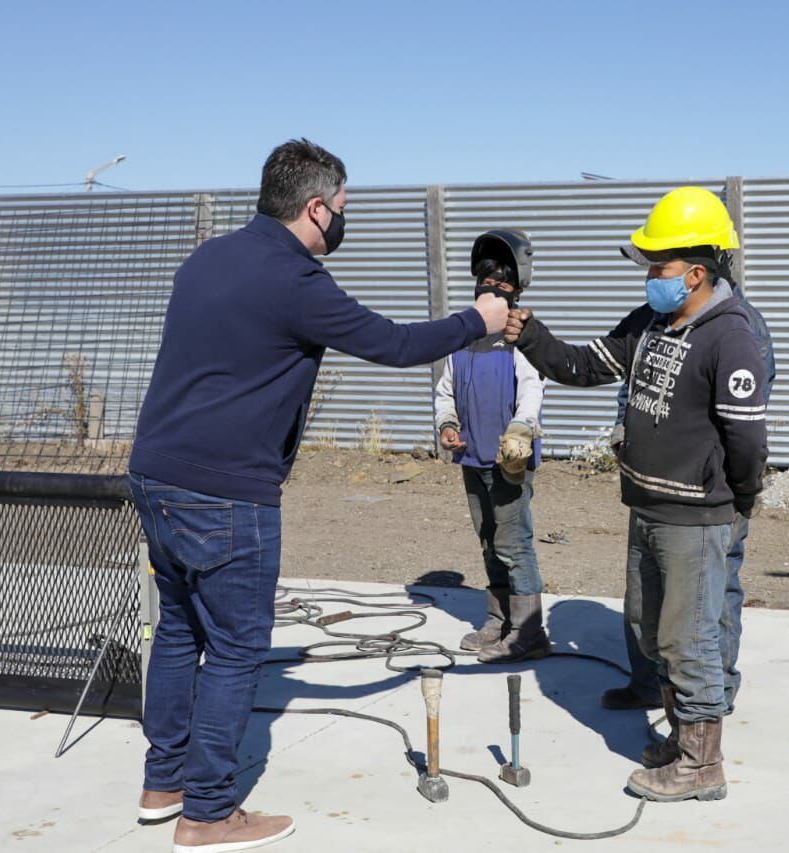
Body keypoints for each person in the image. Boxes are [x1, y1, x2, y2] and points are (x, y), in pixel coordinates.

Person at [127, 138, 509, 852]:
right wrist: (477, 321)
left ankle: (163, 784)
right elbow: (394, 344)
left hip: (156, 475)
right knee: (238, 647)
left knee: (179, 630)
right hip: (226, 492)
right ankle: (207, 811)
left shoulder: (208, 257)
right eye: (342, 209)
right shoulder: (295, 279)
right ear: (314, 207)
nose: (343, 220)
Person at [503, 187, 768, 803]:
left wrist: (732, 501)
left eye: (660, 265)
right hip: (646, 508)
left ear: (697, 271)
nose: (650, 276)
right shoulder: (650, 323)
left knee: (691, 640)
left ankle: (702, 766)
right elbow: (583, 364)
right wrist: (529, 333)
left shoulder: (732, 337)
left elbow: (748, 441)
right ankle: (681, 742)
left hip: (696, 518)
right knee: (652, 632)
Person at [602, 273, 775, 714]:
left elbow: (743, 424)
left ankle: (713, 696)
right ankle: (649, 685)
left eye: (664, 266)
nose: (651, 278)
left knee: (711, 596)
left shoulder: (739, 328)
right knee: (648, 598)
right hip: (658, 489)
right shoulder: (663, 319)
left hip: (709, 492)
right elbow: (637, 380)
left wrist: (740, 490)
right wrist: (628, 433)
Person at [434, 230, 549, 663]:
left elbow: (533, 390)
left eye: (503, 285)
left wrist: (521, 428)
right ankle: (498, 620)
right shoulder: (463, 337)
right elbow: (445, 391)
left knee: (513, 541)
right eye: (487, 283)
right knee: (488, 539)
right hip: (472, 456)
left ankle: (528, 631)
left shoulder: (520, 340)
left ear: (516, 291)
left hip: (509, 462)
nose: (494, 291)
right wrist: (446, 424)